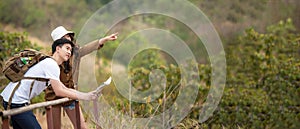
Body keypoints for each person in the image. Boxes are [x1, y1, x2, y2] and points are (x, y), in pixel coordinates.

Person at [1, 38, 99, 129]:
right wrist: (84, 97)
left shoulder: (50, 63)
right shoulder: (51, 64)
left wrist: (87, 95)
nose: (69, 52)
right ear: (58, 48)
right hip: (16, 101)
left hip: (12, 99)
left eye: (71, 50)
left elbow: (64, 88)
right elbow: (59, 91)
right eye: (67, 48)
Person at [45, 26, 117, 129]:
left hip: (70, 96)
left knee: (81, 127)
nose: (68, 38)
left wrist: (103, 40)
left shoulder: (75, 53)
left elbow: (88, 48)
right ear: (58, 45)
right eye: (65, 37)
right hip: (53, 97)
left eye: (68, 36)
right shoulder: (52, 60)